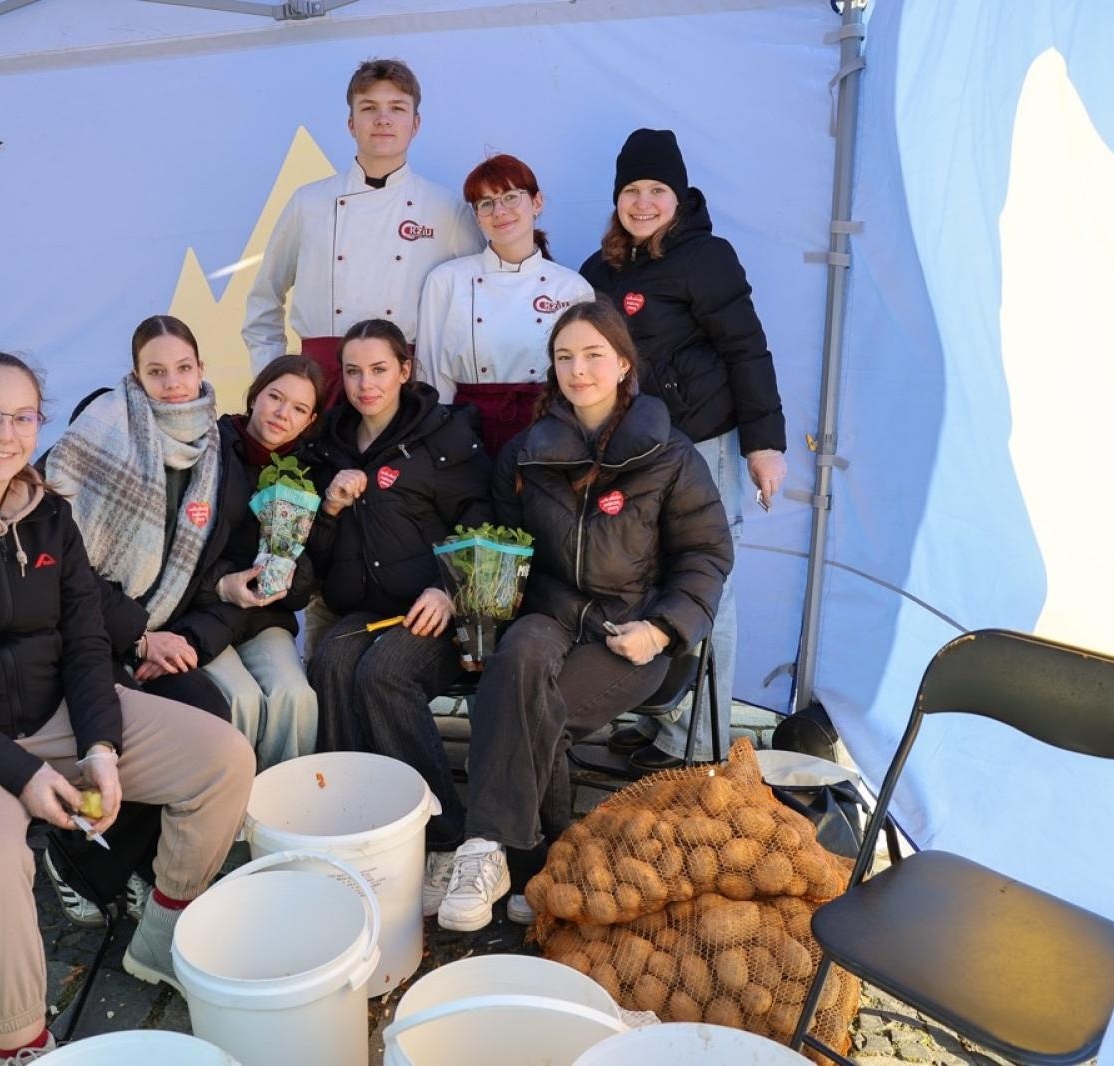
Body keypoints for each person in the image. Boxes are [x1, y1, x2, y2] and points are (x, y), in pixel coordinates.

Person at [0, 351, 255, 1062]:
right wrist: (21, 775)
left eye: (22, 417)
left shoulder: (50, 518)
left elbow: (86, 644)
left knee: (224, 758)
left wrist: (100, 746)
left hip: (54, 719)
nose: (5, 434)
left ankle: (161, 937)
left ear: (39, 425)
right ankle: (23, 1045)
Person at [434, 299, 733, 932]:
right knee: (514, 665)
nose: (579, 369)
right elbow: (505, 542)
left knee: (540, 711)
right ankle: (506, 854)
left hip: (632, 626)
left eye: (594, 354)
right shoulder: (525, 453)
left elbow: (706, 555)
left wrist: (663, 629)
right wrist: (483, 593)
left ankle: (523, 857)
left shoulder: (672, 456)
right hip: (548, 611)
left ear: (624, 364)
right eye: (564, 357)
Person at [578, 128, 787, 771]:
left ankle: (704, 743)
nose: (643, 203)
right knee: (651, 585)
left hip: (705, 444)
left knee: (707, 581)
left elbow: (746, 349)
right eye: (632, 191)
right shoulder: (598, 270)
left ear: (680, 194)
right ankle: (667, 720)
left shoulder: (707, 257)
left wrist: (765, 444)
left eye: (657, 190)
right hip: (635, 450)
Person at [300, 318, 491, 913]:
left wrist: (448, 590)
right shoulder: (327, 444)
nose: (365, 384)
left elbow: (485, 524)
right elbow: (318, 556)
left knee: (383, 674)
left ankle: (443, 838)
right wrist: (328, 510)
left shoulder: (446, 436)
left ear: (406, 370)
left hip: (435, 610)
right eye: (352, 371)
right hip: (366, 608)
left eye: (379, 369)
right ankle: (357, 822)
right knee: (332, 661)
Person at [243, 57, 483, 407]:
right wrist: (274, 378)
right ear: (351, 123)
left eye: (397, 108)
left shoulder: (446, 208)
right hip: (320, 383)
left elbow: (476, 304)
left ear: (415, 124)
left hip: (408, 390)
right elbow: (264, 298)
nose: (383, 119)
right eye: (369, 107)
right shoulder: (309, 202)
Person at [43, 315, 235, 723]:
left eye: (184, 368)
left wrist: (175, 637)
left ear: (201, 369)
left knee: (210, 716)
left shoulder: (216, 445)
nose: (173, 384)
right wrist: (139, 639)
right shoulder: (98, 432)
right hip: (80, 625)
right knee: (129, 723)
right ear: (136, 376)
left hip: (161, 625)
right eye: (156, 372)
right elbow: (56, 560)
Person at [195, 355, 327, 771]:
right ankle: (230, 823)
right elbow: (176, 554)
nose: (282, 414)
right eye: (275, 397)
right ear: (255, 395)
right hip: (200, 612)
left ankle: (281, 816)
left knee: (297, 697)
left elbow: (306, 583)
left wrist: (287, 575)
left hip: (262, 619)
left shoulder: (307, 473)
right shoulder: (208, 449)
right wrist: (221, 584)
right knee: (242, 701)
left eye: (299, 409)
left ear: (310, 420)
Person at [416, 153, 594, 454]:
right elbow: (432, 376)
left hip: (549, 431)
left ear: (536, 203)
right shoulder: (445, 281)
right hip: (465, 433)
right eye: (486, 204)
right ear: (477, 217)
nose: (499, 211)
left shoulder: (572, 288)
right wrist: (441, 443)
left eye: (511, 197)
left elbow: (585, 375)